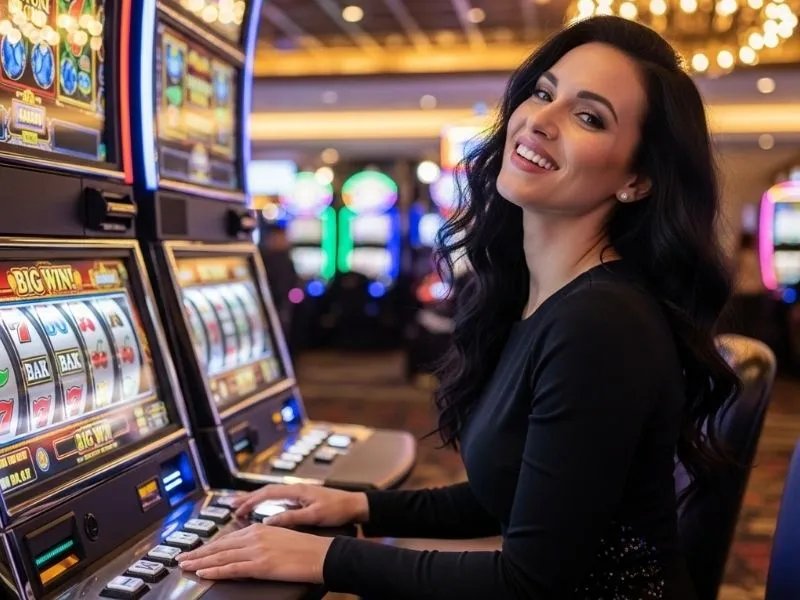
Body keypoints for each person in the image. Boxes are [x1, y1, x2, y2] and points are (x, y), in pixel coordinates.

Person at [178, 15, 741, 599]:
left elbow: (530, 583)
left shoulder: (600, 323)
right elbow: (509, 496)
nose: (541, 120)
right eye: (544, 93)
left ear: (637, 180)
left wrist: (325, 559)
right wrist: (355, 504)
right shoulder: (547, 297)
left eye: (588, 116)